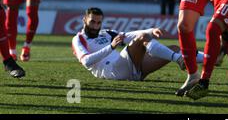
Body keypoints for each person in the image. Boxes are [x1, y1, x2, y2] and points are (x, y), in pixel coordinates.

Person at [72, 8, 205, 81]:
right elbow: (86, 62)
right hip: (112, 72)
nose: (95, 26)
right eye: (92, 22)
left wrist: (151, 31)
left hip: (132, 69)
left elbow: (129, 35)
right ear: (84, 19)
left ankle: (209, 58)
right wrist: (111, 47)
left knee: (174, 48)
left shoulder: (106, 33)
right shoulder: (78, 39)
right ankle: (179, 60)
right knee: (143, 39)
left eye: (98, 22)